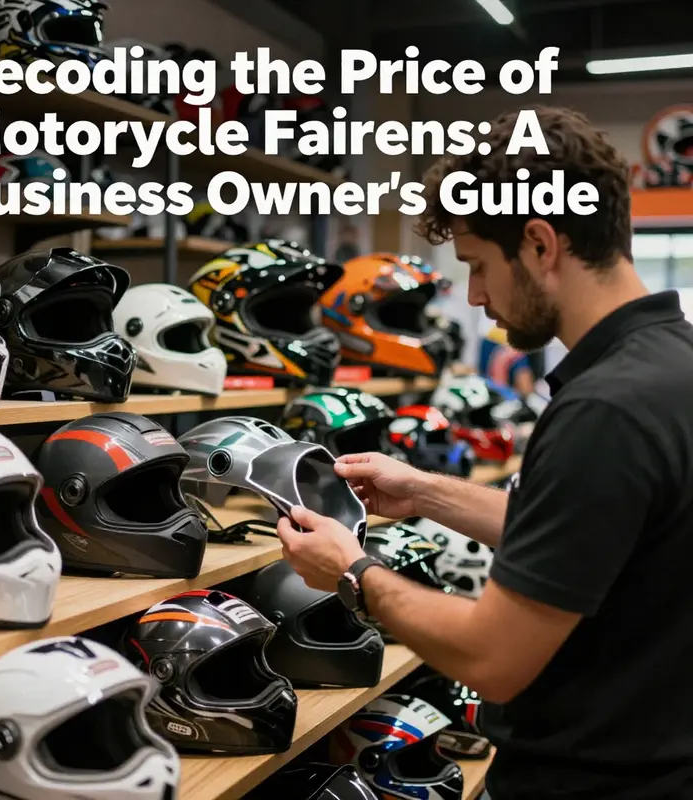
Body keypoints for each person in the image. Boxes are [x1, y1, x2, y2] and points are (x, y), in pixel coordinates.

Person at [276, 106, 693, 800]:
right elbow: (589, 536)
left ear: (538, 243)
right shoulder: (671, 364)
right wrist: (427, 492)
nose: (475, 295)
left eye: (476, 264)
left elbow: (491, 658)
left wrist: (352, 571)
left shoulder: (604, 410)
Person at [479, 323, 536, 395]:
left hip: (487, 393)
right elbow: (525, 388)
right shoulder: (517, 345)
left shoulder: (488, 337)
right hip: (506, 398)